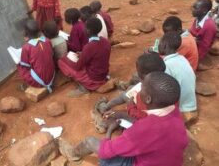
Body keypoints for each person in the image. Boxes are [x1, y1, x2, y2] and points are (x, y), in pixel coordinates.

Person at [59, 72, 188, 166]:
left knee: (90, 141)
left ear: (148, 99)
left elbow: (106, 152)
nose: (139, 89)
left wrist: (109, 132)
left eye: (142, 87)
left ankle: (72, 153)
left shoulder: (144, 129)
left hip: (141, 160)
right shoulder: (175, 112)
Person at [98, 52, 166, 123]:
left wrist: (129, 108)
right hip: (157, 119)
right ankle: (107, 107)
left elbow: (140, 119)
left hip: (140, 119)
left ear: (140, 76)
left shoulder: (144, 94)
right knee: (130, 89)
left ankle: (106, 107)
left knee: (125, 95)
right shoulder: (168, 86)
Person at [58, 17, 111, 96]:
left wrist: (72, 60)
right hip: (103, 74)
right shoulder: (105, 41)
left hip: (94, 78)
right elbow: (98, 55)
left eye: (85, 27)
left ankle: (84, 87)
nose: (83, 29)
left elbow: (78, 67)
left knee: (61, 62)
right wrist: (82, 54)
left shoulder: (89, 47)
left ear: (88, 31)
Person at [158, 31, 197, 116]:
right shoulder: (182, 58)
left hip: (181, 107)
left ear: (164, 46)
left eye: (159, 43)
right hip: (190, 103)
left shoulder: (167, 65)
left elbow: (164, 89)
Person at [17, 19, 55, 92]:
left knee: (20, 66)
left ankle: (27, 84)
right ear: (39, 31)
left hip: (39, 82)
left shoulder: (26, 47)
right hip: (52, 76)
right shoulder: (47, 40)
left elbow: (26, 66)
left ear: (26, 34)